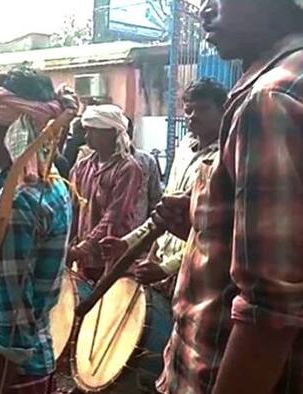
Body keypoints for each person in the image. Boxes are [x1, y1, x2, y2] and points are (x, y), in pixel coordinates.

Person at [108, 2, 303, 392]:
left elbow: (270, 310)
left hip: (214, 372)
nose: (204, 10)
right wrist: (207, 222)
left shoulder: (267, 99)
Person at [0, 68, 77, 393]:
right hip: (22, 363)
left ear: (7, 128)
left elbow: (15, 319)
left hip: (6, 375)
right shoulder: (46, 184)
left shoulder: (23, 199)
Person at [104, 79, 226, 299]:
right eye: (188, 110)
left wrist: (166, 268)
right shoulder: (184, 148)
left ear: (222, 111)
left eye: (203, 109)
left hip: (196, 270)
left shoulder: (224, 158)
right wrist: (128, 243)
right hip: (162, 264)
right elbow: (164, 213)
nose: (192, 116)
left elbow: (208, 231)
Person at [68, 105, 142, 282]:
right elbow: (73, 207)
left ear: (110, 133)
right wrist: (70, 245)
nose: (87, 137)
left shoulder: (127, 168)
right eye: (87, 131)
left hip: (111, 257)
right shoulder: (82, 166)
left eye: (93, 131)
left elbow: (115, 214)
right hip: (84, 260)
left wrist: (84, 247)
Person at [127, 116, 163, 226]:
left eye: (126, 131)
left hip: (137, 231)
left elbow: (155, 199)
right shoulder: (94, 163)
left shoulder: (147, 161)